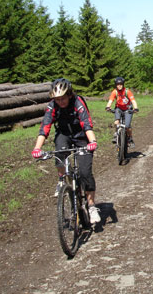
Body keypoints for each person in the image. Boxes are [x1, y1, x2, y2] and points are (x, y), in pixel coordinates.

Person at [31, 78, 100, 224]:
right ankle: (62, 179)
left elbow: (86, 123)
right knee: (59, 153)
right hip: (64, 135)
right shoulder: (52, 106)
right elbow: (45, 127)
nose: (60, 102)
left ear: (69, 94)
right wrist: (37, 148)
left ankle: (92, 205)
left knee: (85, 172)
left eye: (63, 98)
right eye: (57, 99)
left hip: (81, 136)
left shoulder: (77, 102)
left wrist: (92, 142)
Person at [105, 77, 139, 148]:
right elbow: (110, 101)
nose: (119, 85)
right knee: (117, 121)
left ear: (123, 84)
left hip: (128, 109)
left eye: (121, 84)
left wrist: (135, 108)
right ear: (116, 85)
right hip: (119, 109)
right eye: (118, 84)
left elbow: (133, 101)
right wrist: (108, 107)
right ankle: (116, 134)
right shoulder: (115, 92)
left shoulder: (127, 91)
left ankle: (130, 138)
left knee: (127, 126)